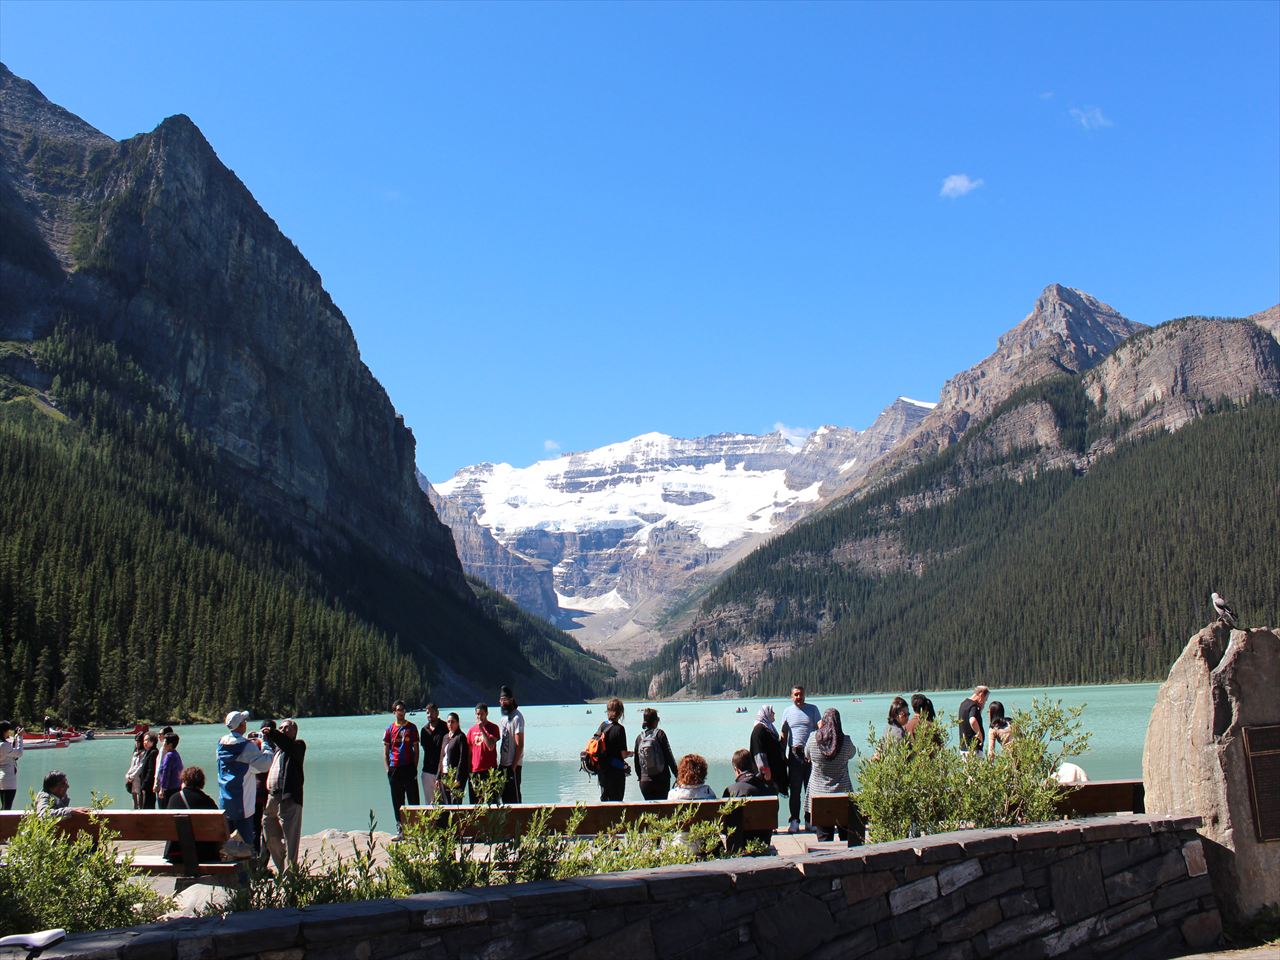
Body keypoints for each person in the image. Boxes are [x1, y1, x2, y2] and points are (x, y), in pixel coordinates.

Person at [217, 709, 272, 847]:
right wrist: (265, 743)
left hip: (225, 802)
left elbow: (238, 758)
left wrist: (247, 739)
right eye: (244, 721)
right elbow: (265, 764)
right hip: (243, 804)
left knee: (229, 845)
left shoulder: (221, 744)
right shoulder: (247, 746)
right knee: (246, 846)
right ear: (241, 725)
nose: (246, 723)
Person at [805, 708, 857, 843]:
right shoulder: (846, 741)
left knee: (824, 837)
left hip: (819, 796)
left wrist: (819, 731)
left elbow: (806, 754)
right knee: (846, 837)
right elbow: (852, 753)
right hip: (842, 795)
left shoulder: (813, 739)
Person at [262, 718, 306, 872]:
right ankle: (283, 869)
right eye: (280, 727)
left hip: (289, 797)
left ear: (294, 731)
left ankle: (291, 874)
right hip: (272, 796)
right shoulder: (277, 749)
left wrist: (273, 733)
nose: (282, 730)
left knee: (290, 838)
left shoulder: (298, 746)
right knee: (268, 829)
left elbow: (287, 744)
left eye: (286, 727)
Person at [779, 685, 822, 833]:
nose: (799, 697)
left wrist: (818, 751)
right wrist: (782, 754)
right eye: (796, 695)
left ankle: (810, 821)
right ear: (792, 696)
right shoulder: (787, 712)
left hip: (810, 755)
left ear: (804, 695)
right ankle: (794, 821)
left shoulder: (813, 709)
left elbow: (820, 730)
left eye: (801, 694)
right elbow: (784, 734)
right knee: (795, 790)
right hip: (794, 755)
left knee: (811, 790)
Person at [164, 766, 222, 866]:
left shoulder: (173, 798)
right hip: (202, 854)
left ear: (184, 781)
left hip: (175, 854)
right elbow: (218, 828)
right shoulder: (207, 801)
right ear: (201, 783)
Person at [723, 747, 774, 853]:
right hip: (761, 843)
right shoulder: (766, 788)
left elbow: (723, 825)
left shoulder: (730, 791)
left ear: (737, 770)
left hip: (737, 846)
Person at [384, 700, 420, 837]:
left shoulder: (412, 728)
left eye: (403, 709)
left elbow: (416, 750)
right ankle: (400, 829)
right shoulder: (389, 729)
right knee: (397, 801)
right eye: (399, 710)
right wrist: (388, 769)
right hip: (395, 768)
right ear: (394, 712)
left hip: (409, 767)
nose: (401, 712)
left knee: (413, 799)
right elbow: (386, 751)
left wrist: (414, 767)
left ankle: (415, 829)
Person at [633, 707, 678, 800]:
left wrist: (640, 778)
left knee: (649, 808)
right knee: (662, 808)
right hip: (662, 780)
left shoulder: (639, 738)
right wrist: (678, 775)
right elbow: (669, 756)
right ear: (656, 720)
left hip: (645, 782)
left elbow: (637, 762)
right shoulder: (660, 734)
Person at [596, 698, 632, 802]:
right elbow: (623, 754)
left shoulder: (602, 725)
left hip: (602, 772)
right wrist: (631, 753)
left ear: (608, 711)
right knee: (617, 804)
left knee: (605, 802)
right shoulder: (620, 729)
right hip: (616, 773)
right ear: (620, 713)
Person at [750, 706, 788, 796]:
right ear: (765, 714)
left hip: (773, 776)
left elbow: (776, 747)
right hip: (766, 779)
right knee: (768, 801)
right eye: (771, 712)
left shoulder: (768, 728)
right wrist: (767, 775)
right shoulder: (759, 730)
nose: (774, 713)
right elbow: (759, 755)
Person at [466, 703, 501, 803]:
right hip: (475, 771)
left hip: (489, 771)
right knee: (475, 802)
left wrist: (482, 729)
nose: (479, 716)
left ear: (486, 713)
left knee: (492, 801)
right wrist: (469, 771)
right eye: (478, 714)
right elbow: (469, 753)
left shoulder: (493, 728)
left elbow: (490, 746)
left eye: (482, 714)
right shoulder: (471, 731)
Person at [497, 686, 525, 804]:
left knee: (514, 800)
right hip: (503, 764)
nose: (503, 703)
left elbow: (520, 745)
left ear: (511, 700)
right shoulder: (504, 718)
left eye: (505, 700)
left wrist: (513, 767)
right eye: (501, 700)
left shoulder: (517, 718)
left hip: (513, 765)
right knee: (503, 798)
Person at [437, 712, 469, 803]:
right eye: (448, 722)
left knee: (455, 802)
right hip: (444, 775)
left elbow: (462, 759)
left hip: (455, 776)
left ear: (457, 723)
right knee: (446, 803)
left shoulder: (461, 737)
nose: (450, 724)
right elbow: (441, 758)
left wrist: (458, 778)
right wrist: (438, 777)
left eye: (452, 722)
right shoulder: (445, 737)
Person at [419, 704, 447, 805]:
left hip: (443, 771)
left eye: (432, 712)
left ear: (437, 713)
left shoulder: (445, 727)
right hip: (427, 771)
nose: (429, 714)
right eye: (427, 712)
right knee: (430, 803)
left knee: (445, 803)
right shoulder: (424, 730)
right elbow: (425, 749)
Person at [155, 733, 184, 806]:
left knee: (164, 808)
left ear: (170, 744)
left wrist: (162, 789)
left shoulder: (168, 756)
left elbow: (165, 772)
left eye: (164, 742)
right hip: (177, 787)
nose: (163, 744)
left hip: (168, 789)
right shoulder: (176, 754)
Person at [958, 686, 990, 752]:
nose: (985, 702)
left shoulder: (963, 704)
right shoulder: (973, 706)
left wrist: (980, 709)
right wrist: (980, 736)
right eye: (985, 699)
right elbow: (972, 720)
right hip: (974, 748)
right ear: (981, 695)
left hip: (964, 747)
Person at [0, 721, 23, 811]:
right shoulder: (4, 745)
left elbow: (12, 754)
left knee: (4, 807)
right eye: (8, 730)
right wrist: (20, 737)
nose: (9, 732)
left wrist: (16, 736)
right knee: (7, 808)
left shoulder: (3, 744)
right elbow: (19, 753)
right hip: (8, 780)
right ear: (4, 731)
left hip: (2, 778)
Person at [138, 732, 160, 809]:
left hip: (148, 787)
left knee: (147, 807)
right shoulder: (148, 752)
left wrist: (144, 785)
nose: (144, 742)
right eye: (144, 740)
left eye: (147, 740)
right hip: (144, 786)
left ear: (153, 741)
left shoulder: (154, 752)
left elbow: (151, 771)